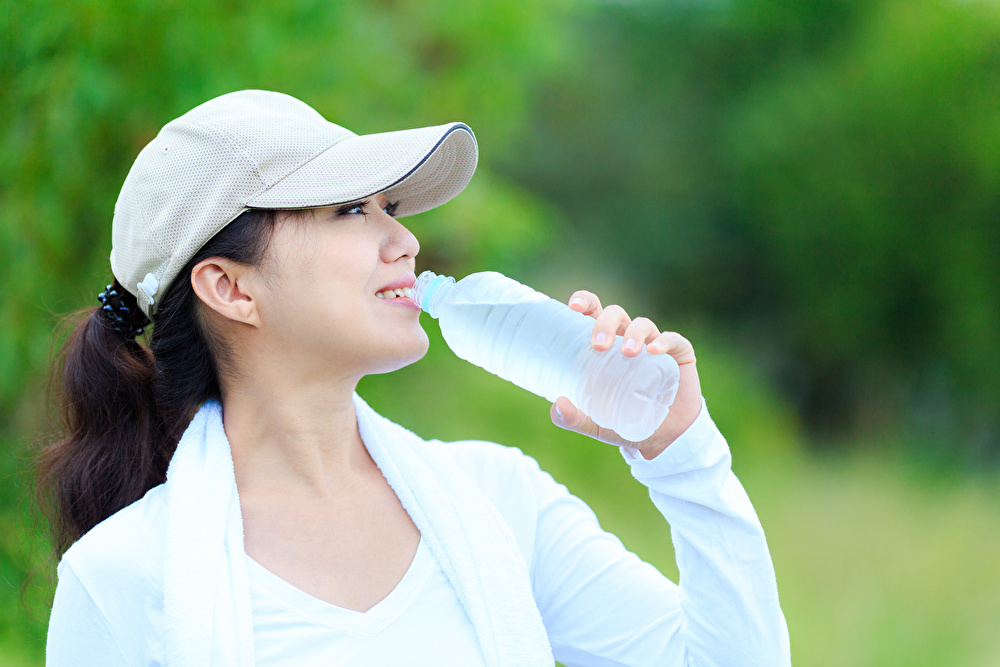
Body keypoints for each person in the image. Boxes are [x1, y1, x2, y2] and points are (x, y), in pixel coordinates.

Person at [38, 90, 790, 666]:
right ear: (231, 287)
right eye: (349, 210)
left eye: (388, 207)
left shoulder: (497, 498)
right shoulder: (124, 576)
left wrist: (681, 451)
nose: (404, 238)